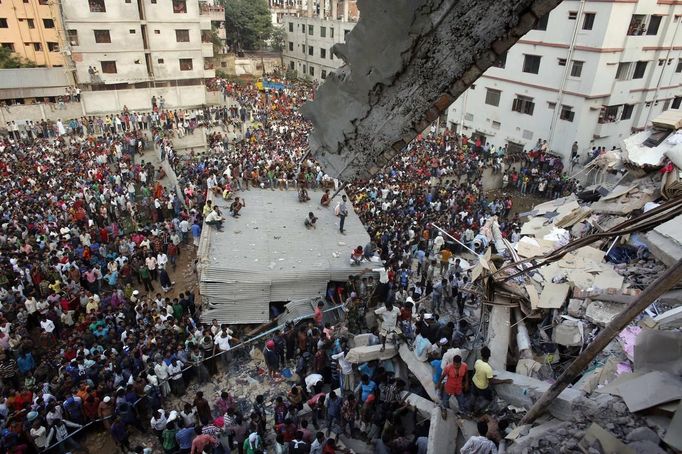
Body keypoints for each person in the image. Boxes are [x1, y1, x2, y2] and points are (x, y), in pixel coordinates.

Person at [472, 346, 512, 413]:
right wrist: (505, 380)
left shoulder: (477, 362)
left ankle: (472, 407)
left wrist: (489, 375)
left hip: (474, 382)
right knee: (488, 399)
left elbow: (477, 371)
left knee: (474, 396)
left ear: (481, 354)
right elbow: (492, 381)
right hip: (481, 387)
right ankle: (477, 411)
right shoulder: (488, 368)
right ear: (489, 356)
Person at [437, 354, 468, 418]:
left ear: (460, 363)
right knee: (445, 400)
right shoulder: (448, 367)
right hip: (449, 387)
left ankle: (462, 412)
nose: (456, 366)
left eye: (458, 364)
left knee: (461, 400)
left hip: (458, 387)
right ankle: (444, 409)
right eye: (455, 364)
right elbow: (442, 376)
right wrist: (438, 384)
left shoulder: (464, 366)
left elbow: (466, 373)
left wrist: (466, 382)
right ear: (453, 362)